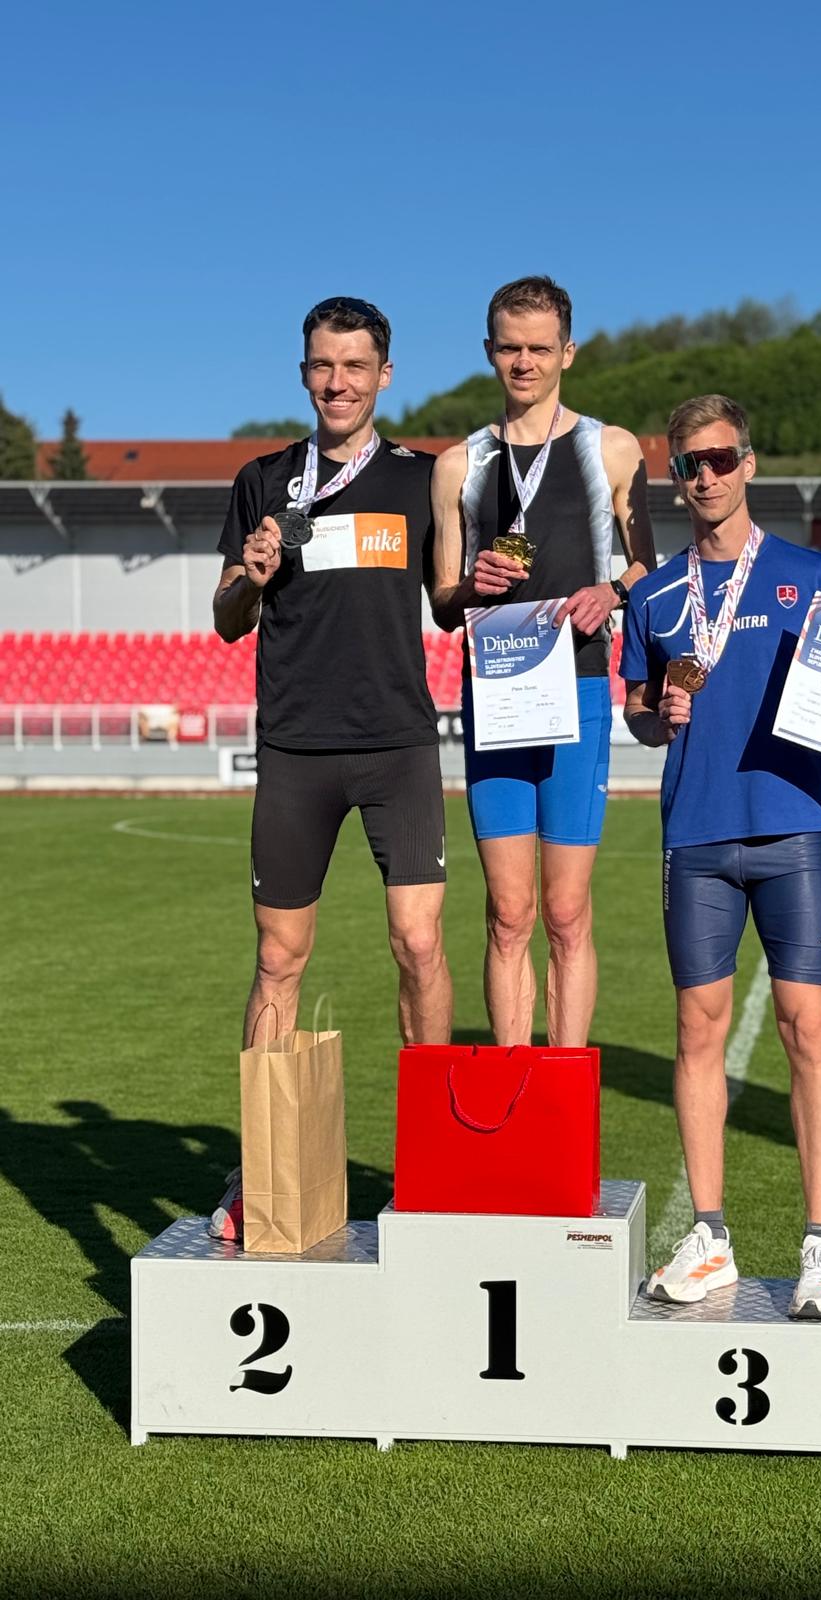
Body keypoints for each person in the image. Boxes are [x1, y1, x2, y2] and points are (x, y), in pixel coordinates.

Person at [620, 393, 821, 1318]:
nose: (705, 476)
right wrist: (656, 713)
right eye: (689, 464)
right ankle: (710, 1239)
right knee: (696, 1033)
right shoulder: (653, 596)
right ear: (675, 478)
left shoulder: (810, 573)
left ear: (748, 463)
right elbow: (638, 713)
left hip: (793, 830)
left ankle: (820, 1247)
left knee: (807, 1030)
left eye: (720, 458)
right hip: (696, 837)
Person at [208, 295, 453, 1241]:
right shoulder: (264, 480)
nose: (337, 382)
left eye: (354, 366)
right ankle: (261, 1169)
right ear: (303, 372)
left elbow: (450, 599)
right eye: (322, 365)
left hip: (398, 746)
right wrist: (251, 577)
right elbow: (227, 619)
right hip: (295, 749)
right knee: (278, 958)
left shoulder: (424, 480)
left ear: (384, 375)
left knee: (419, 946)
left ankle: (433, 1165)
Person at [431, 276, 655, 1047]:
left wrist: (610, 592)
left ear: (568, 352)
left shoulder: (610, 448)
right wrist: (473, 584)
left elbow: (648, 567)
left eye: (538, 348)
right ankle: (513, 1079)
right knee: (507, 912)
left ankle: (563, 1088)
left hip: (579, 688)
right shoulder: (458, 465)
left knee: (565, 911)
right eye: (509, 348)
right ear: (489, 352)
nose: (523, 362)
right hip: (495, 694)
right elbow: (442, 601)